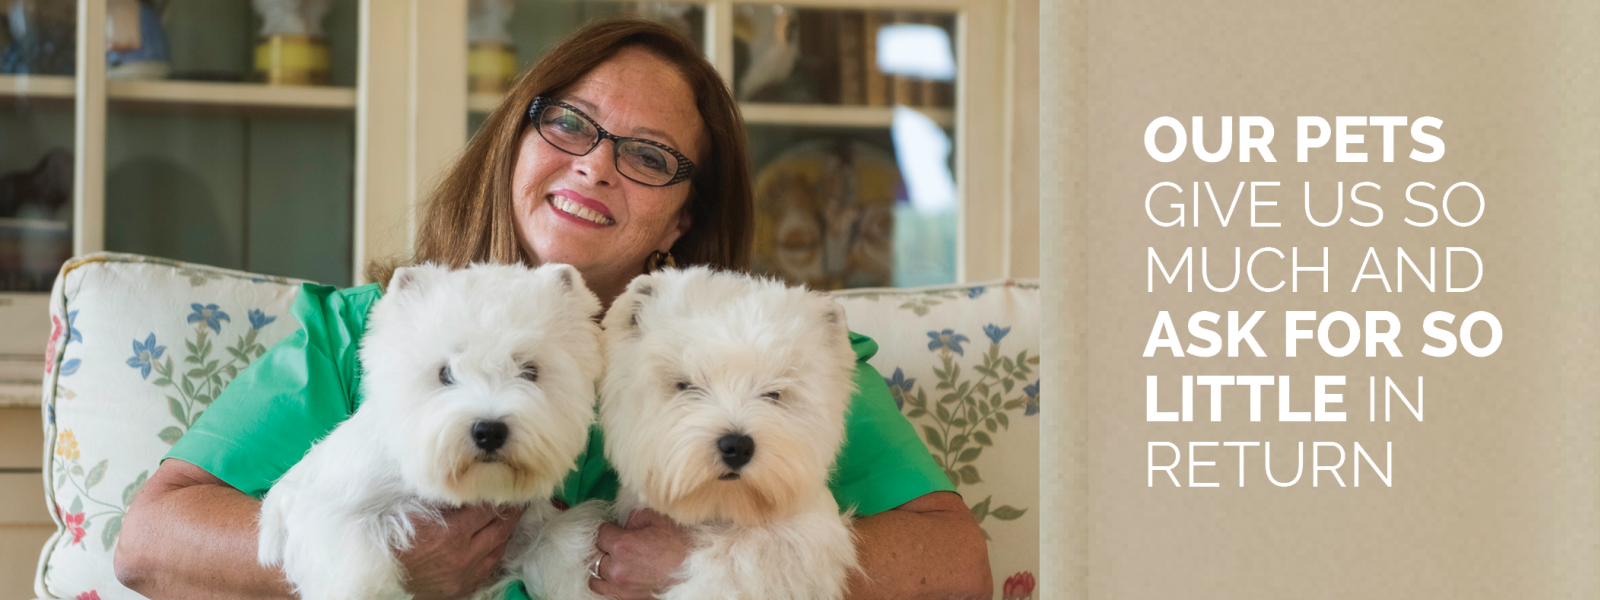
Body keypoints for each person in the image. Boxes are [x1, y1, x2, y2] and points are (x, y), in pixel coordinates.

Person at [115, 18, 991, 600]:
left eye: (648, 155)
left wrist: (714, 568)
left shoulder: (768, 349)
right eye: (569, 125)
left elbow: (957, 561)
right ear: (515, 138)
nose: (594, 167)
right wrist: (393, 563)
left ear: (683, 215)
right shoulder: (359, 333)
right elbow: (151, 537)